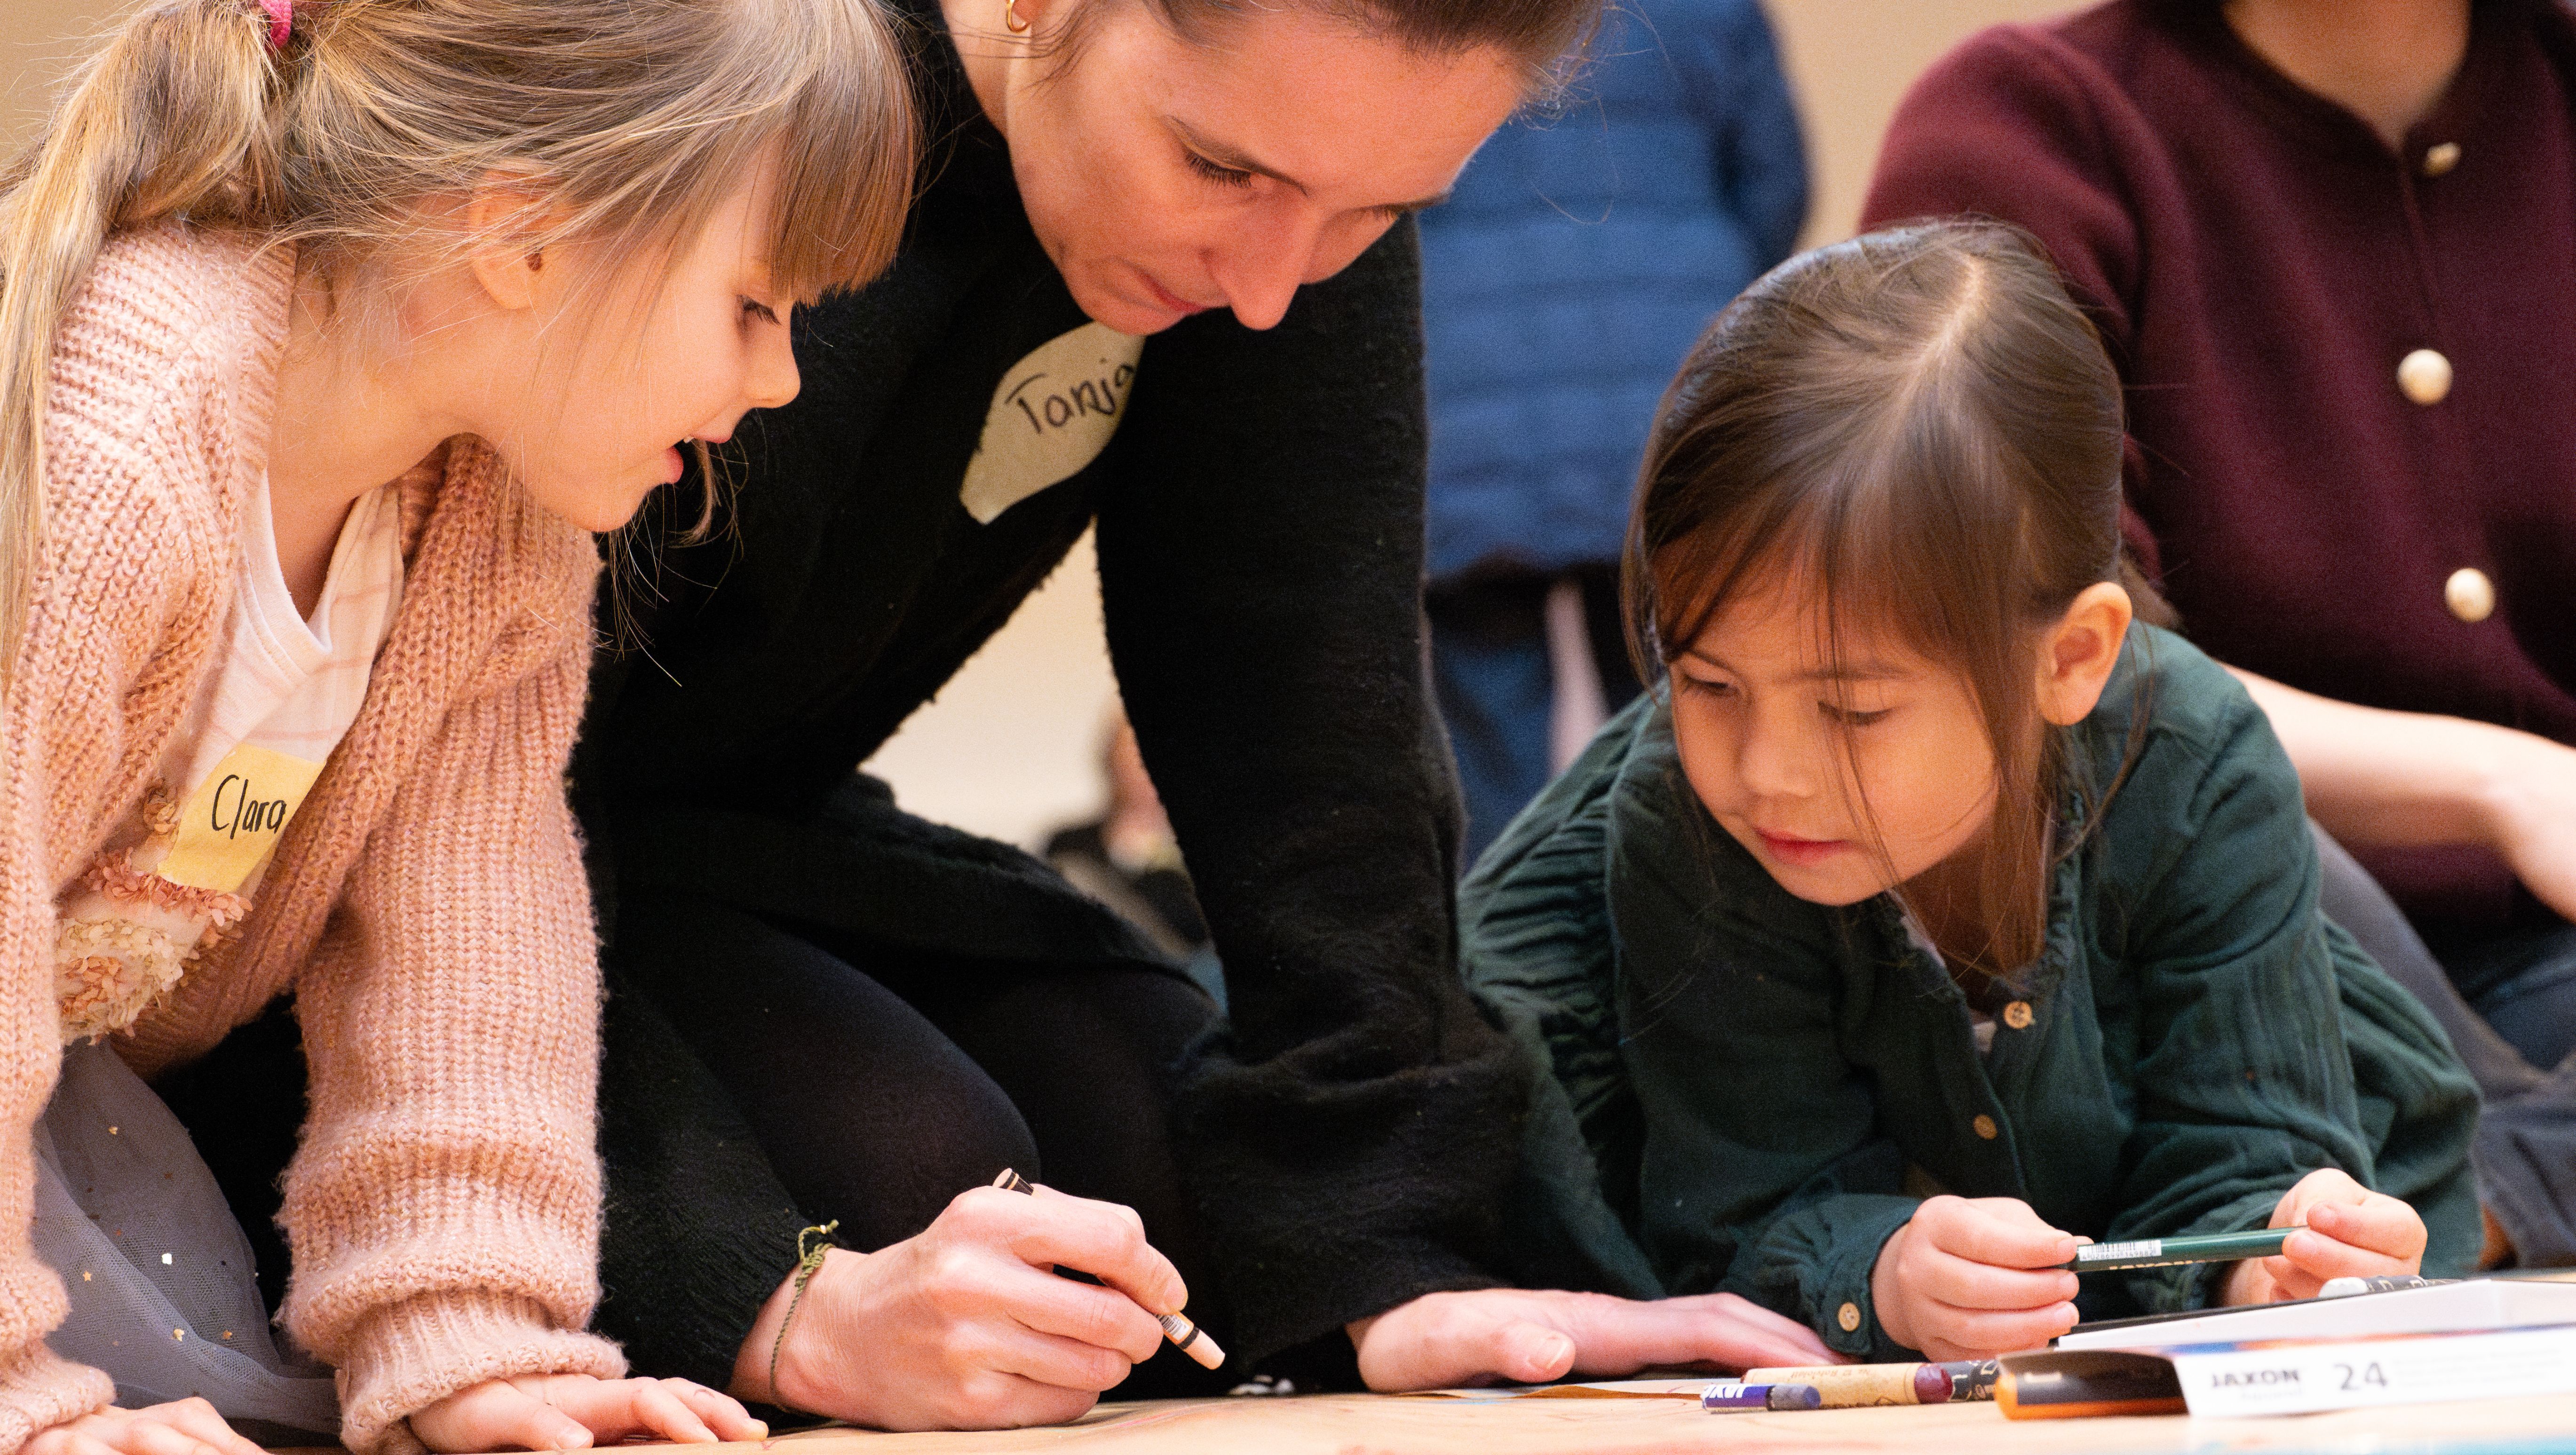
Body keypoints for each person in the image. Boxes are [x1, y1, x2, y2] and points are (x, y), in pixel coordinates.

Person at [497, 0, 1843, 1428]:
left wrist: (1388, 1251)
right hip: (390, 872)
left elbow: (1309, 717)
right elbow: (410, 796)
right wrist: (741, 1284)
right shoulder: (707, 89)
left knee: (1156, 1189)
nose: (1272, 288)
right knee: (924, 1168)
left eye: (1375, 212)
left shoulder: (1288, 207)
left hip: (727, 844)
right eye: (1218, 170)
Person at [0, 0, 913, 1451]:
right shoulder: (125, 446)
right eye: (754, 303)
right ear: (521, 238)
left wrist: (469, 1332)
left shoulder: (492, 528)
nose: (783, 375)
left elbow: (467, 945)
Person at [1463, 223, 2479, 1363]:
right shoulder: (1686, 818)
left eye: (1851, 708)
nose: (1763, 769)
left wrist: (2265, 1258)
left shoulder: (2197, 759)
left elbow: (2248, 1150)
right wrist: (1883, 1272)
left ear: (2071, 658)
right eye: (1706, 682)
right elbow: (1736, 1208)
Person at [1857, 0, 2576, 1269]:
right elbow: (2033, 661)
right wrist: (2497, 778)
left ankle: (2480, 1201)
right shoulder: (2033, 124)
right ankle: (2456, 1197)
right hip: (2237, 954)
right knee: (2189, 794)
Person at [1419, 0, 1806, 863]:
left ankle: (1506, 986)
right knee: (1691, 729)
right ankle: (1692, 973)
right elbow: (1775, 180)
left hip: (1465, 405)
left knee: (1489, 780)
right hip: (1661, 411)